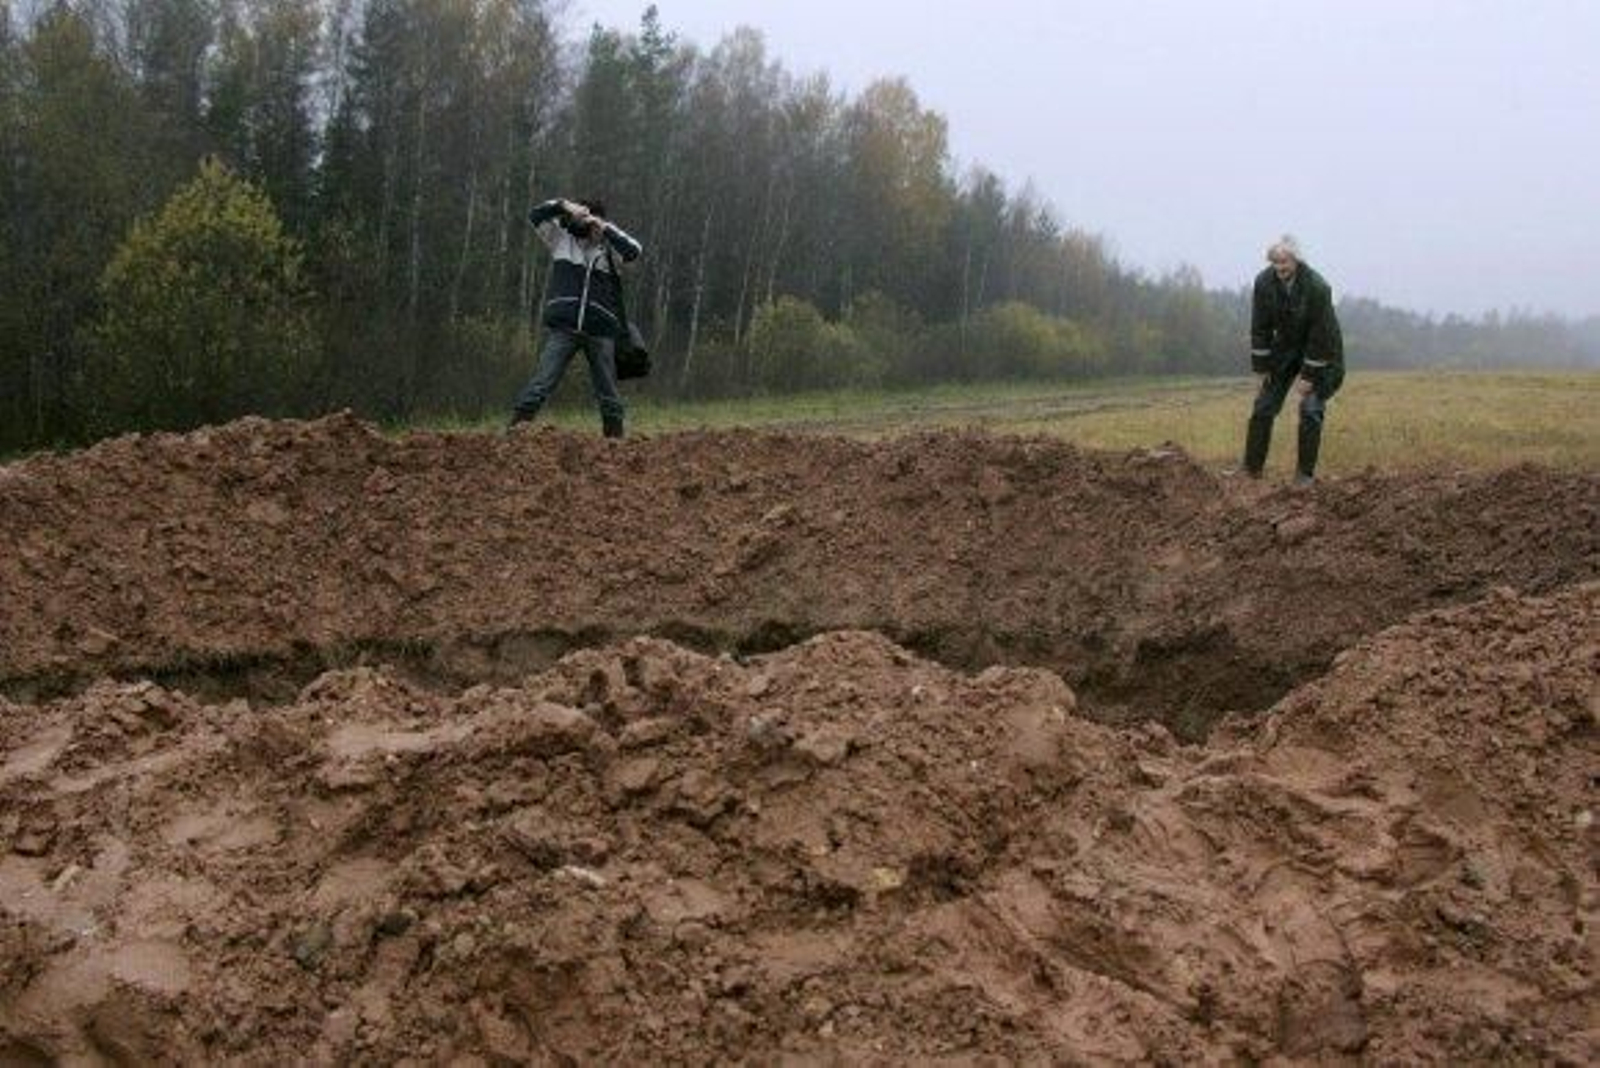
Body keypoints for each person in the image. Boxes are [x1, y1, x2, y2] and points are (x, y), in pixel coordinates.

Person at [509, 197, 644, 438]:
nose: (586, 226)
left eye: (591, 222)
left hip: (600, 331)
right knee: (541, 383)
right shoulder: (561, 241)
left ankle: (614, 446)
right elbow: (535, 216)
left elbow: (635, 250)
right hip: (564, 328)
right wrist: (563, 206)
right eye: (582, 221)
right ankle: (515, 434)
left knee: (608, 392)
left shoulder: (610, 252)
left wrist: (604, 227)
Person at [1244, 235, 1344, 484]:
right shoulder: (1264, 283)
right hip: (1286, 349)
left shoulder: (1318, 287)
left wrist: (1309, 375)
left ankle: (1304, 476)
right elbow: (1260, 328)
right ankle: (1250, 470)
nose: (1280, 268)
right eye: (1275, 262)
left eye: (1285, 262)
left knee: (1310, 408)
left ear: (1296, 261)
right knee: (1263, 406)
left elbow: (1321, 335)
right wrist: (1261, 369)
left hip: (1324, 352)